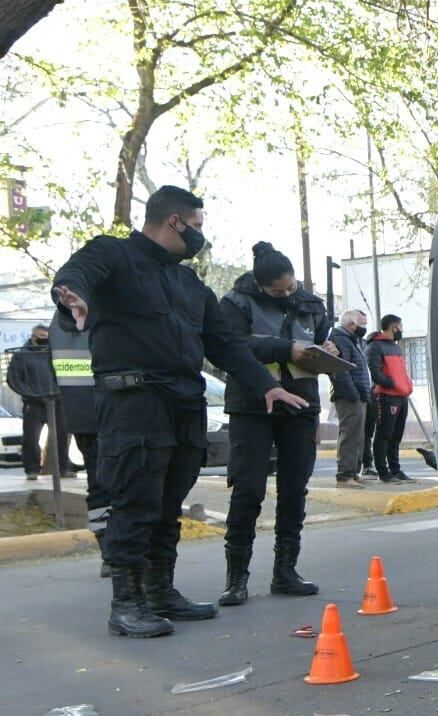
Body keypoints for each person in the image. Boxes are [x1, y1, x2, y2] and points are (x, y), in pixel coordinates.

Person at [51, 185, 307, 639]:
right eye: (197, 226)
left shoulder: (191, 285)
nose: (200, 235)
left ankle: (160, 591)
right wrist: (72, 296)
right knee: (135, 501)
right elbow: (77, 274)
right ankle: (126, 604)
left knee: (168, 504)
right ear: (175, 222)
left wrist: (267, 385)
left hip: (184, 405)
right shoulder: (113, 253)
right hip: (134, 402)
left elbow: (225, 344)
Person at [214, 242, 333, 606]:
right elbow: (231, 347)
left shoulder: (312, 304)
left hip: (301, 404)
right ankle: (236, 578)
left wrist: (331, 351)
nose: (286, 295)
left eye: (290, 287)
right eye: (277, 292)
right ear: (260, 285)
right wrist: (286, 349)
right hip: (252, 406)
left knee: (294, 489)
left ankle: (286, 572)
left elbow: (321, 341)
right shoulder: (235, 303)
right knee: (248, 489)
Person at [47, 318, 111, 572]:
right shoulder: (105, 310)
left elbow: (53, 371)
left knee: (98, 484)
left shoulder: (58, 324)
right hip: (114, 410)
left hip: (81, 414)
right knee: (124, 483)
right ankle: (122, 551)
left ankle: (109, 551)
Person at [4, 324, 70, 482]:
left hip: (56, 401)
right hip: (34, 403)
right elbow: (13, 379)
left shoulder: (54, 353)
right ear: (33, 337)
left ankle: (63, 468)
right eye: (41, 338)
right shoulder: (22, 356)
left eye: (47, 338)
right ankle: (32, 469)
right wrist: (30, 394)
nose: (45, 341)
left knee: (62, 435)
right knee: (31, 438)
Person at [366, 314, 413, 483]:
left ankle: (395, 469)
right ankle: (383, 472)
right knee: (384, 435)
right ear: (394, 327)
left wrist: (406, 384)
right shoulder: (375, 346)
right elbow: (376, 373)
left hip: (402, 396)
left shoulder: (396, 347)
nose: (402, 330)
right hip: (386, 397)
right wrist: (393, 384)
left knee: (396, 436)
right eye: (400, 326)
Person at [327, 309, 371, 488]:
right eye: (362, 324)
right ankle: (345, 476)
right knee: (350, 434)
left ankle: (353, 472)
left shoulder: (353, 340)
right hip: (349, 395)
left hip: (358, 394)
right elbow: (340, 368)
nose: (364, 328)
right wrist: (352, 393)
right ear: (352, 324)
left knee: (358, 435)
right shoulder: (341, 339)